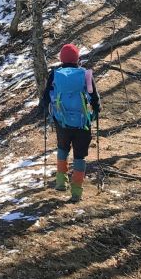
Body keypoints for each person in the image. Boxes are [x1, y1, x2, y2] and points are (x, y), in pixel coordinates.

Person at [40, 43, 100, 202]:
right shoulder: (85, 74)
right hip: (82, 123)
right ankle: (76, 192)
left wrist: (49, 111)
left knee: (62, 149)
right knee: (79, 157)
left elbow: (46, 97)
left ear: (61, 59)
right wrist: (95, 112)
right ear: (77, 58)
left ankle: (61, 182)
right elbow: (94, 98)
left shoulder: (55, 74)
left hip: (62, 122)